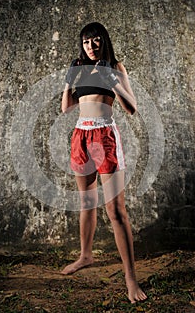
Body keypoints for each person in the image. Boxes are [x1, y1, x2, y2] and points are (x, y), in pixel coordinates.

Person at [61, 22, 147, 304]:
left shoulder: (115, 67)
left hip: (104, 135)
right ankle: (85, 255)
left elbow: (131, 108)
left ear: (103, 41)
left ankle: (130, 278)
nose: (91, 45)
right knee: (86, 202)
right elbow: (66, 107)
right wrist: (67, 81)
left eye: (95, 40)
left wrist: (114, 83)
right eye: (86, 42)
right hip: (80, 135)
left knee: (116, 210)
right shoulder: (82, 69)